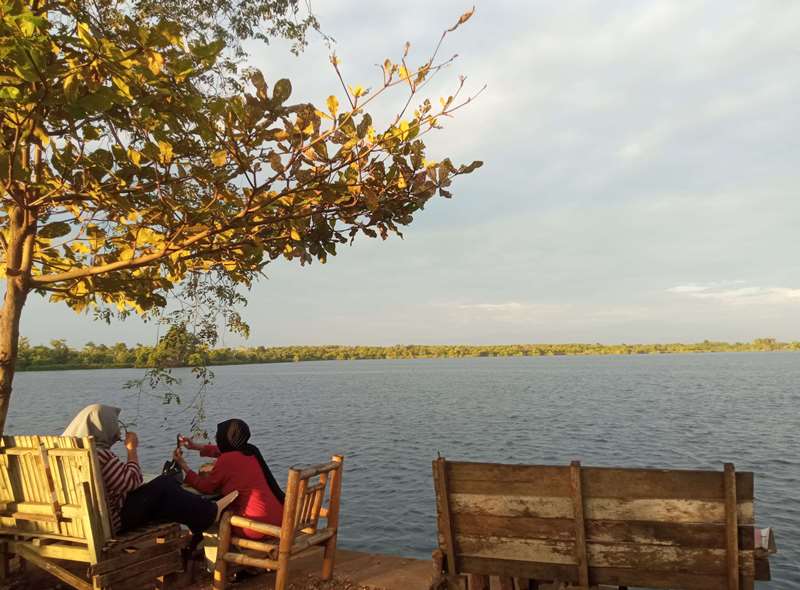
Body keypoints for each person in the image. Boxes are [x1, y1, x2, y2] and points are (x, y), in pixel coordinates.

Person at [63, 404, 238, 549]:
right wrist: (131, 449)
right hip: (107, 524)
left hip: (72, 524)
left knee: (163, 495)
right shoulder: (98, 455)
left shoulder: (60, 453)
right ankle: (209, 513)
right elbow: (132, 481)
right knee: (164, 484)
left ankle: (198, 528)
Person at [175, 419, 285, 540]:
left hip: (256, 526)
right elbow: (224, 451)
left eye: (219, 435)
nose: (216, 437)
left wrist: (183, 465)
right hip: (278, 520)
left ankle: (216, 553)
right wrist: (195, 446)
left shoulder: (227, 460)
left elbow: (206, 487)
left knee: (209, 515)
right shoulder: (251, 451)